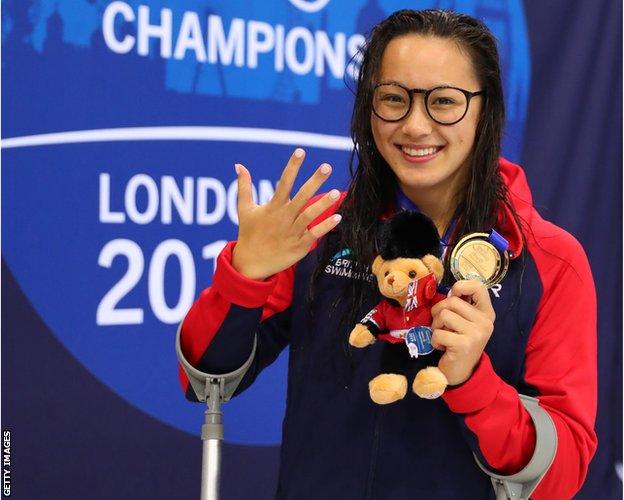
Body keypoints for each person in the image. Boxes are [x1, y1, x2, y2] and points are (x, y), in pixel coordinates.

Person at [178, 9, 597, 499]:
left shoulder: (551, 259)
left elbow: (561, 475)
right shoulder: (318, 232)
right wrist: (243, 275)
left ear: (487, 110)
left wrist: (474, 383)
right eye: (394, 99)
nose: (415, 126)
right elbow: (206, 381)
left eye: (444, 102)